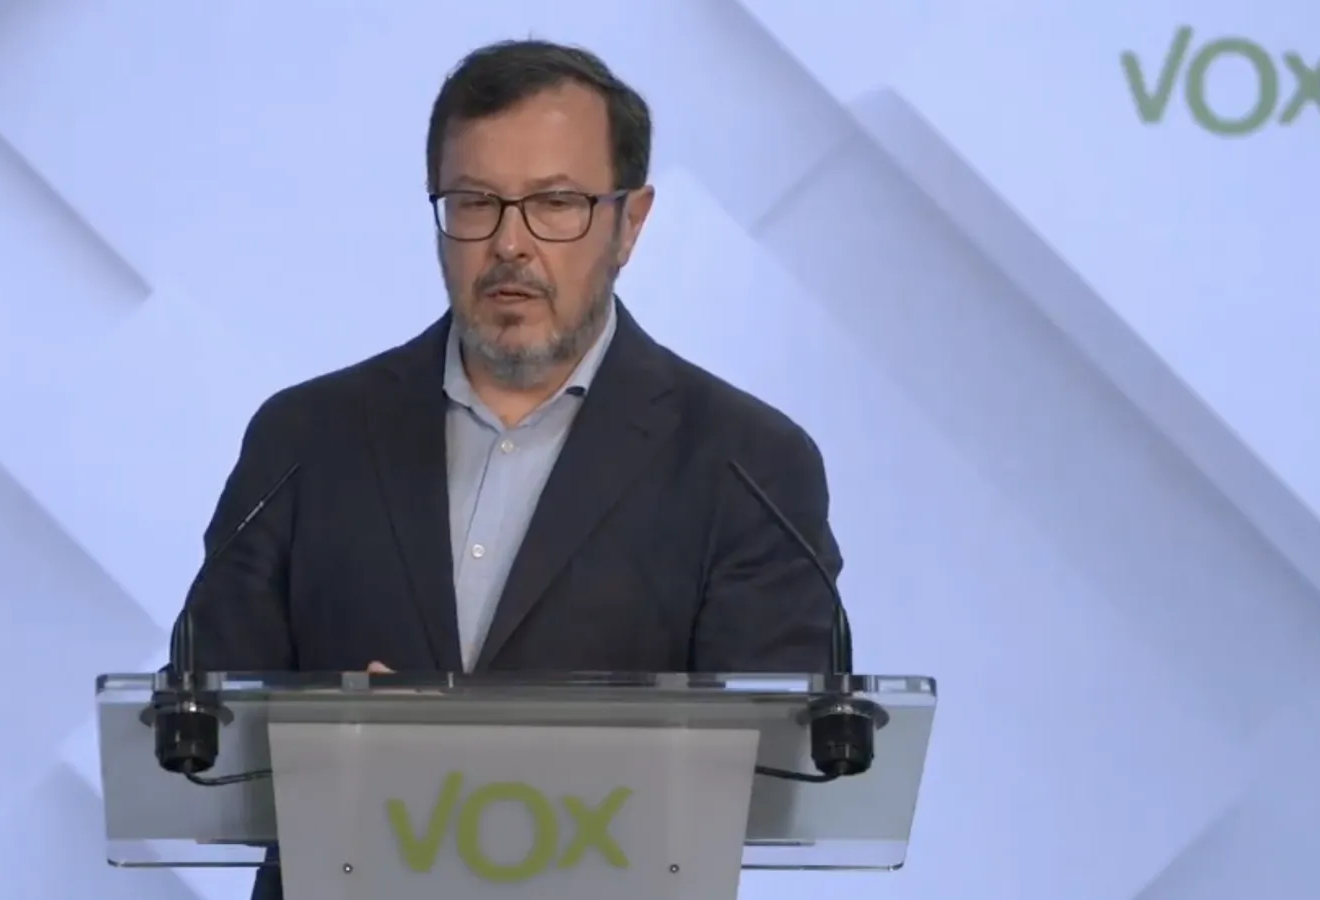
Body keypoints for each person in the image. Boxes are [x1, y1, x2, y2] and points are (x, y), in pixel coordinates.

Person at [175, 39, 846, 900]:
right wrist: (339, 741)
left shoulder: (746, 462)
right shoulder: (305, 437)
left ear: (630, 223)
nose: (509, 244)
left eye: (556, 203)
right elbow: (198, 728)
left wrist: (472, 761)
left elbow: (777, 772)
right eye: (475, 202)